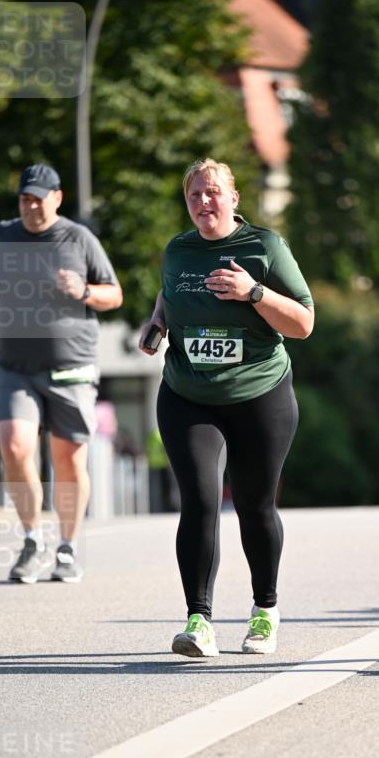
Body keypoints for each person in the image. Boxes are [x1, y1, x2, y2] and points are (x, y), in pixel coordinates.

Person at [139, 158, 314, 657]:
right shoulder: (178, 249)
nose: (203, 203)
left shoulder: (265, 247)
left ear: (234, 198)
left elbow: (303, 323)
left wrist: (253, 292)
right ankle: (199, 621)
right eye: (194, 195)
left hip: (260, 394)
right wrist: (156, 325)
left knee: (255, 506)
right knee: (198, 500)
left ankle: (264, 612)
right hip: (188, 394)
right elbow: (168, 294)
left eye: (213, 192)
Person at [0, 163, 123, 583]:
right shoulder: (1, 235)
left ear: (57, 197)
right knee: (14, 444)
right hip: (14, 365)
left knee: (68, 458)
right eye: (25, 198)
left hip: (71, 365)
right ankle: (31, 540)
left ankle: (68, 547)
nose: (31, 205)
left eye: (39, 198)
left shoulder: (79, 238)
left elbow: (114, 294)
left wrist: (82, 291)